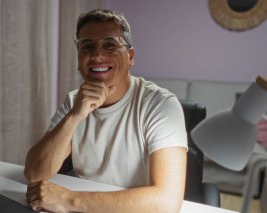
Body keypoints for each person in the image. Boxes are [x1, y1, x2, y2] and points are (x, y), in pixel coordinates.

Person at [24, 8, 188, 213]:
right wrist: (75, 115)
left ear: (130, 57)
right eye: (87, 47)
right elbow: (34, 173)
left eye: (110, 45)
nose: (97, 55)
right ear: (78, 59)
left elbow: (166, 203)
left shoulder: (161, 105)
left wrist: (69, 200)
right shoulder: (74, 101)